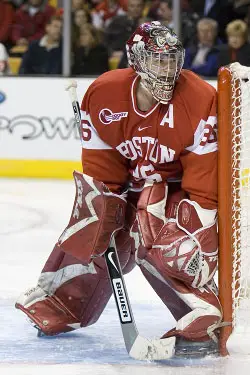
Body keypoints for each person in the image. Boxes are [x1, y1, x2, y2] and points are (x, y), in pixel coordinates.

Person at [15, 21, 221, 358]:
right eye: (159, 61)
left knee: (159, 234)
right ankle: (64, 304)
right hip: (128, 189)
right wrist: (107, 208)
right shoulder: (105, 94)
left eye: (173, 60)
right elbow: (102, 172)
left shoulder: (199, 99)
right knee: (93, 222)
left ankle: (201, 313)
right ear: (137, 61)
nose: (168, 70)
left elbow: (203, 184)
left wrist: (196, 232)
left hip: (175, 192)